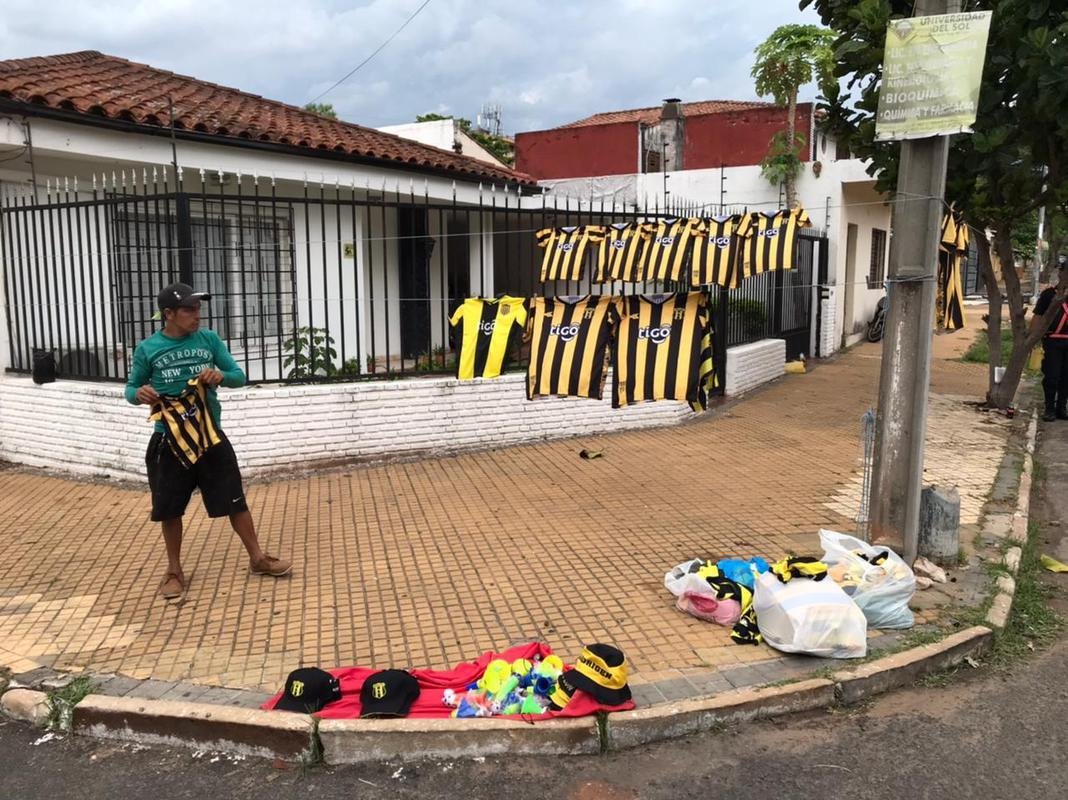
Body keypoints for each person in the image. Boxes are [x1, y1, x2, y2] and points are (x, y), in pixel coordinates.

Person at [125, 283, 291, 599]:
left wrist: (220, 376)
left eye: (198, 308)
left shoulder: (209, 340)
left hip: (210, 435)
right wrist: (139, 394)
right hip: (169, 440)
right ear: (168, 314)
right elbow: (131, 389)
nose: (196, 315)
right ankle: (173, 570)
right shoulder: (148, 349)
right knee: (169, 508)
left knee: (234, 498)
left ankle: (257, 558)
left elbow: (238, 376)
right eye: (189, 309)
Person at [1032, 257, 1068, 422]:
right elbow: (1038, 316)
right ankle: (1049, 409)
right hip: (1052, 341)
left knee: (1066, 377)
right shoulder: (1048, 295)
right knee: (1052, 376)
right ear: (1061, 273)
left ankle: (1062, 408)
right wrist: (1033, 337)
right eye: (1066, 272)